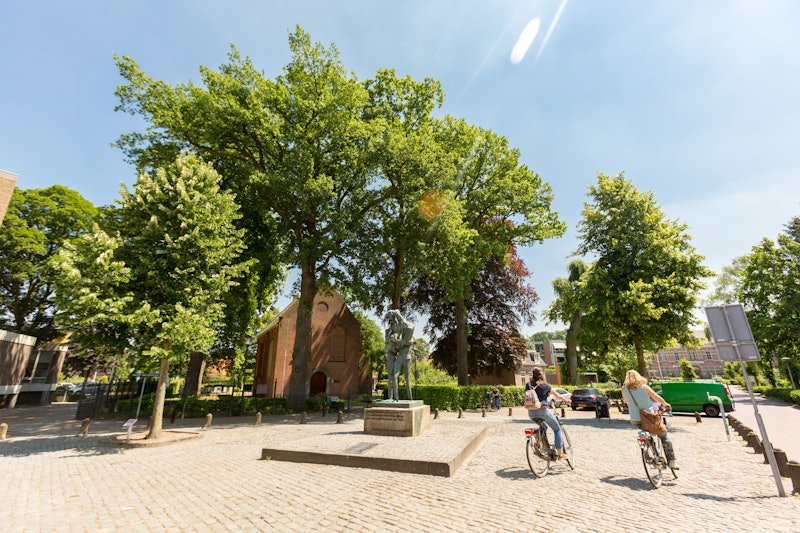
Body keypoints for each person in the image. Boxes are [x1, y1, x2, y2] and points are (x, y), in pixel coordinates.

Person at [621, 369, 680, 470]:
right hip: (649, 419)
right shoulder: (644, 387)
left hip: (635, 420)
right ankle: (672, 462)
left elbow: (626, 401)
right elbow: (656, 397)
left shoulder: (624, 388)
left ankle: (649, 450)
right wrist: (665, 404)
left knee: (646, 433)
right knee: (664, 435)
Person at [526, 368, 571, 458]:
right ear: (541, 374)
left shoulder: (528, 384)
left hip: (531, 412)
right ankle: (560, 453)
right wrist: (567, 400)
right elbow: (557, 395)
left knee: (544, 426)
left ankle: (540, 443)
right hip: (542, 411)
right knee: (557, 429)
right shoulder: (545, 385)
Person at [384, 309, 414, 401]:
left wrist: (399, 316)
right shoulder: (394, 329)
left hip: (407, 357)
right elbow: (392, 342)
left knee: (407, 378)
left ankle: (410, 398)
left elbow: (410, 327)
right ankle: (395, 398)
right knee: (394, 376)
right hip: (399, 356)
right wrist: (393, 342)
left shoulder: (407, 329)